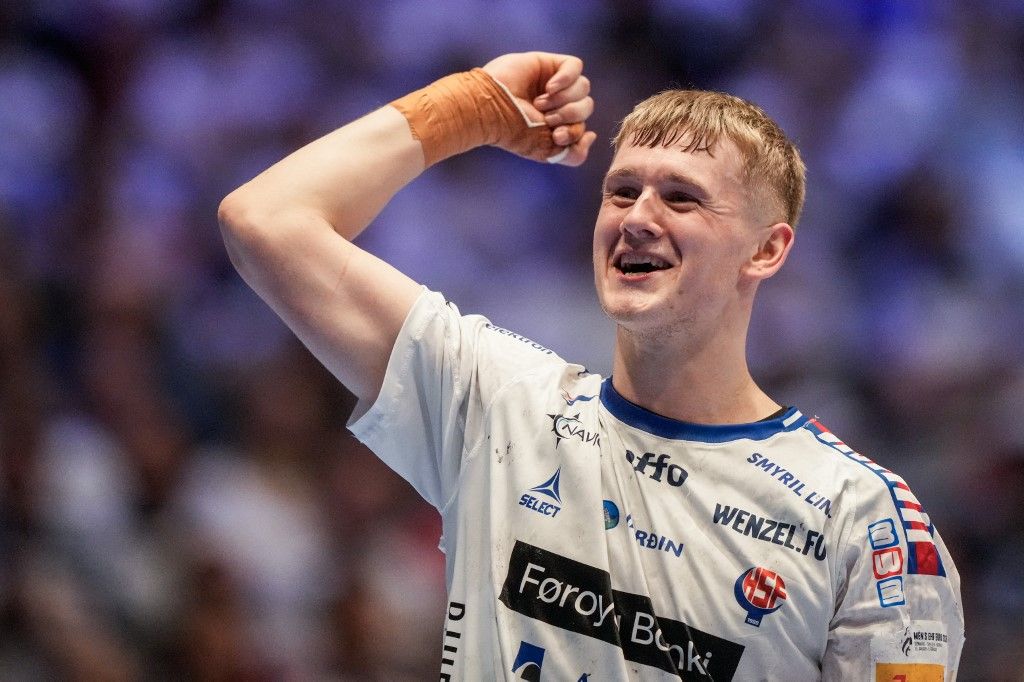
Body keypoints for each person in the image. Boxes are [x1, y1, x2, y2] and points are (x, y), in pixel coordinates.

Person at [219, 51, 964, 680]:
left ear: (767, 250)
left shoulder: (866, 519)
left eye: (682, 198)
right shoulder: (499, 404)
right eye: (621, 190)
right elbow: (265, 223)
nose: (638, 216)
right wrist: (471, 107)